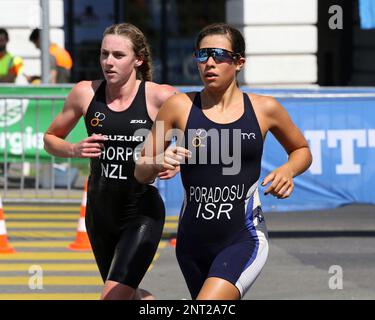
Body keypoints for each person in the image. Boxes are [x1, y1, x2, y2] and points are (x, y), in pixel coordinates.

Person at [135, 23, 312, 300]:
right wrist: (157, 160)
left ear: (239, 62)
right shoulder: (178, 106)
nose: (209, 63)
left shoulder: (265, 108)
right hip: (192, 242)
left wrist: (288, 170)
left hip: (243, 236)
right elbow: (140, 171)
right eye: (202, 55)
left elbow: (301, 149)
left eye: (219, 54)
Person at [43, 23, 178, 300]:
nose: (108, 62)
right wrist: (73, 148)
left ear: (138, 59)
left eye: (118, 55)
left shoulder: (160, 96)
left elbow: (203, 136)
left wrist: (177, 160)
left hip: (140, 212)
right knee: (127, 295)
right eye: (104, 54)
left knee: (113, 297)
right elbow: (50, 138)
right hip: (99, 213)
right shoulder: (85, 92)